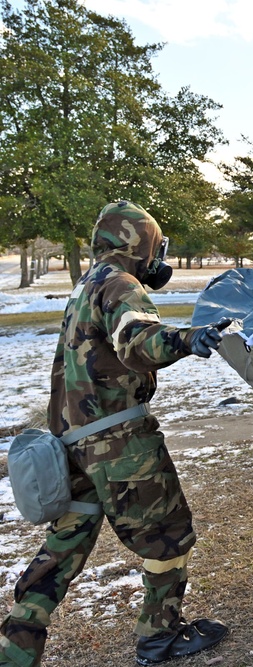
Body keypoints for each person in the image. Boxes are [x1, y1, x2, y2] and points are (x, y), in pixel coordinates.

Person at [0, 201, 231, 667]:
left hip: (73, 445)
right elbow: (137, 339)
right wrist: (189, 339)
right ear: (140, 243)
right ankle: (160, 637)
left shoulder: (87, 283)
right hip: (120, 445)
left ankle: (13, 649)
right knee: (169, 536)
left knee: (64, 547)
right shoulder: (121, 284)